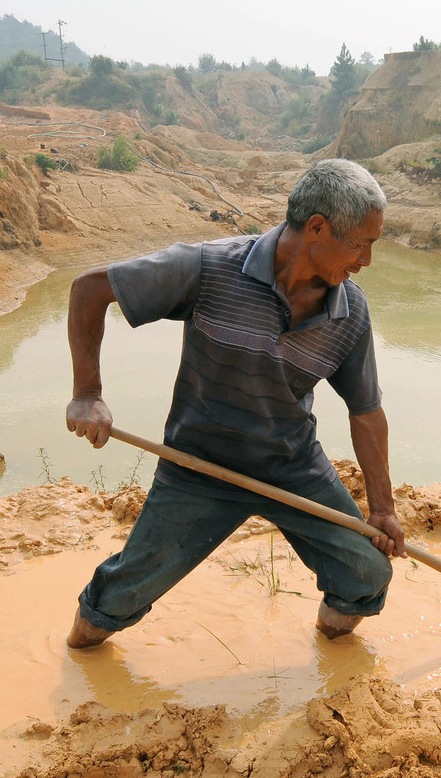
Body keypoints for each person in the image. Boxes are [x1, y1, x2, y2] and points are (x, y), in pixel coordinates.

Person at [63, 159, 406, 649]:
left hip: (291, 466)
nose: (366, 261)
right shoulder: (210, 267)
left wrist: (383, 508)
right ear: (317, 228)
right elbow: (90, 289)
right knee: (116, 599)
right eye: (362, 244)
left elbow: (366, 411)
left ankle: (328, 652)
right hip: (198, 465)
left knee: (367, 573)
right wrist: (87, 394)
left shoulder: (349, 311)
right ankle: (76, 654)